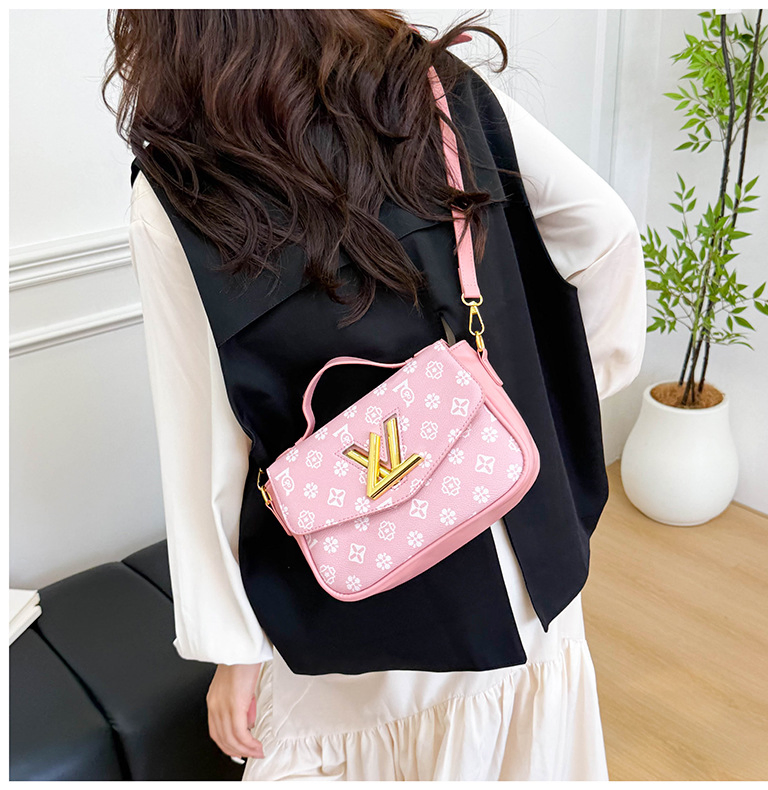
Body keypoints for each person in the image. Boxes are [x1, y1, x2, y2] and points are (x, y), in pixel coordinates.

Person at [108, 9, 646, 781]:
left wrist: (232, 649)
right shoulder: (432, 82)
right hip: (523, 546)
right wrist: (540, 417)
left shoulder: (176, 189)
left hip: (356, 590)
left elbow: (205, 444)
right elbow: (607, 235)